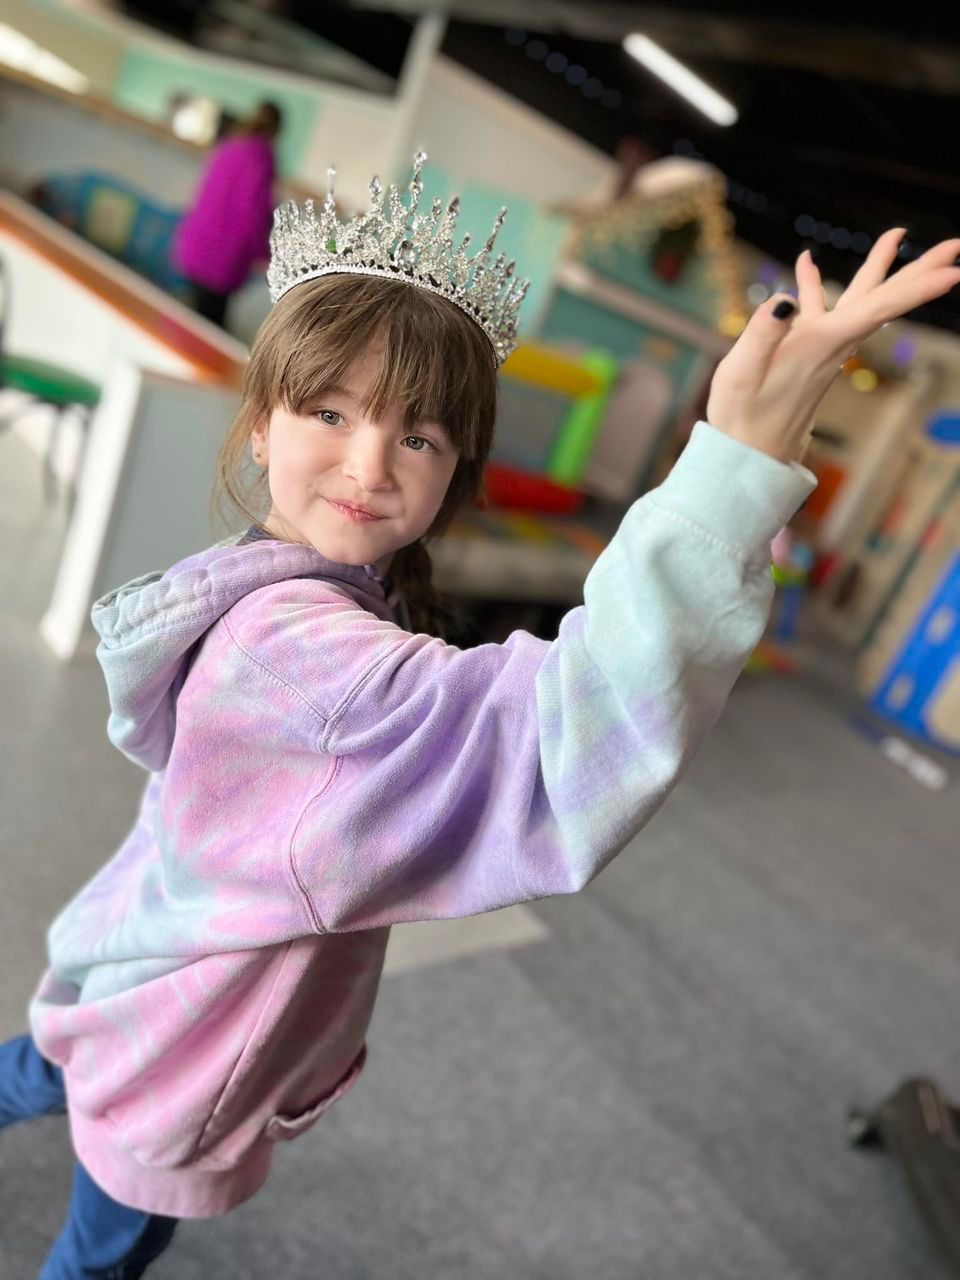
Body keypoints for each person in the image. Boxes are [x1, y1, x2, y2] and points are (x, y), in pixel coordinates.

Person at [3, 149, 958, 1276]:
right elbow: (559, 738)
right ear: (262, 423)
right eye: (329, 410)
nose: (369, 462)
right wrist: (737, 465)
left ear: (453, 474)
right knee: (100, 1251)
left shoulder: (255, 577)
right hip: (188, 1033)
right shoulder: (323, 671)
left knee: (45, 1059)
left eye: (417, 434)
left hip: (133, 959)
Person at [173, 100, 283, 327]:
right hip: (221, 261)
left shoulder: (229, 146)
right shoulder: (261, 158)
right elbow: (252, 214)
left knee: (196, 320)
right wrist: (265, 256)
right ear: (276, 131)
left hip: (195, 247)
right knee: (210, 331)